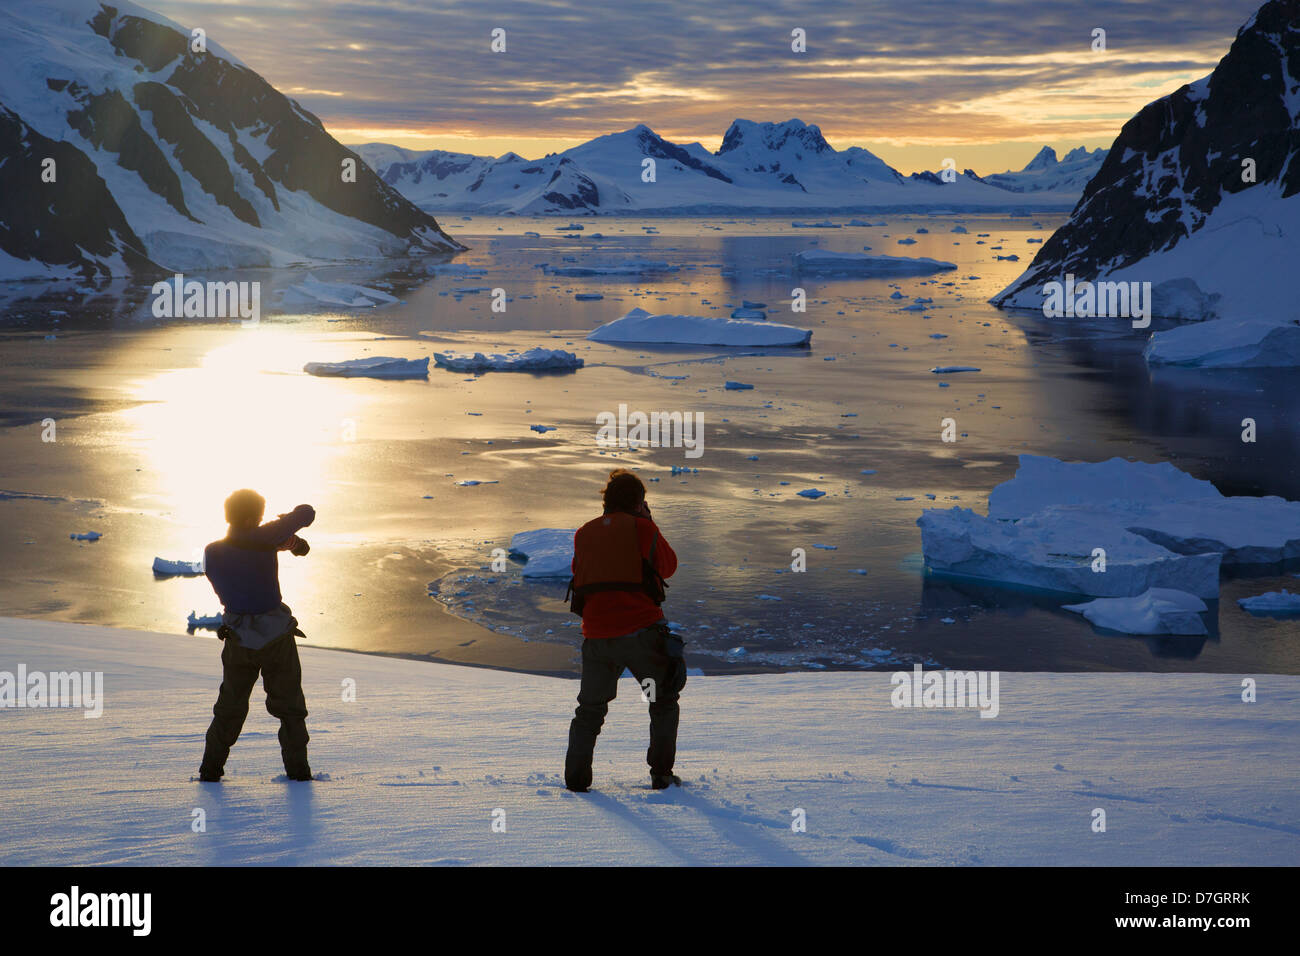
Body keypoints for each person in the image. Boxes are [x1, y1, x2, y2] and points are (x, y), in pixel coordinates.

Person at [564, 469, 684, 792]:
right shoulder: (643, 529)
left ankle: (575, 780)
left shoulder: (584, 533)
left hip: (597, 636)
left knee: (589, 710)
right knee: (661, 699)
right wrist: (649, 523)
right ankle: (661, 774)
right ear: (638, 502)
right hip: (641, 633)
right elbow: (669, 564)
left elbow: (580, 574)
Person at [198, 489, 316, 782]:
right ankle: (299, 776)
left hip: (237, 638)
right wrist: (283, 527)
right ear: (254, 517)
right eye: (260, 516)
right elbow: (307, 513)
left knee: (229, 708)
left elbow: (244, 555)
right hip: (276, 638)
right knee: (290, 708)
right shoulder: (265, 538)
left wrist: (275, 541)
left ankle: (210, 772)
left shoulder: (212, 551)